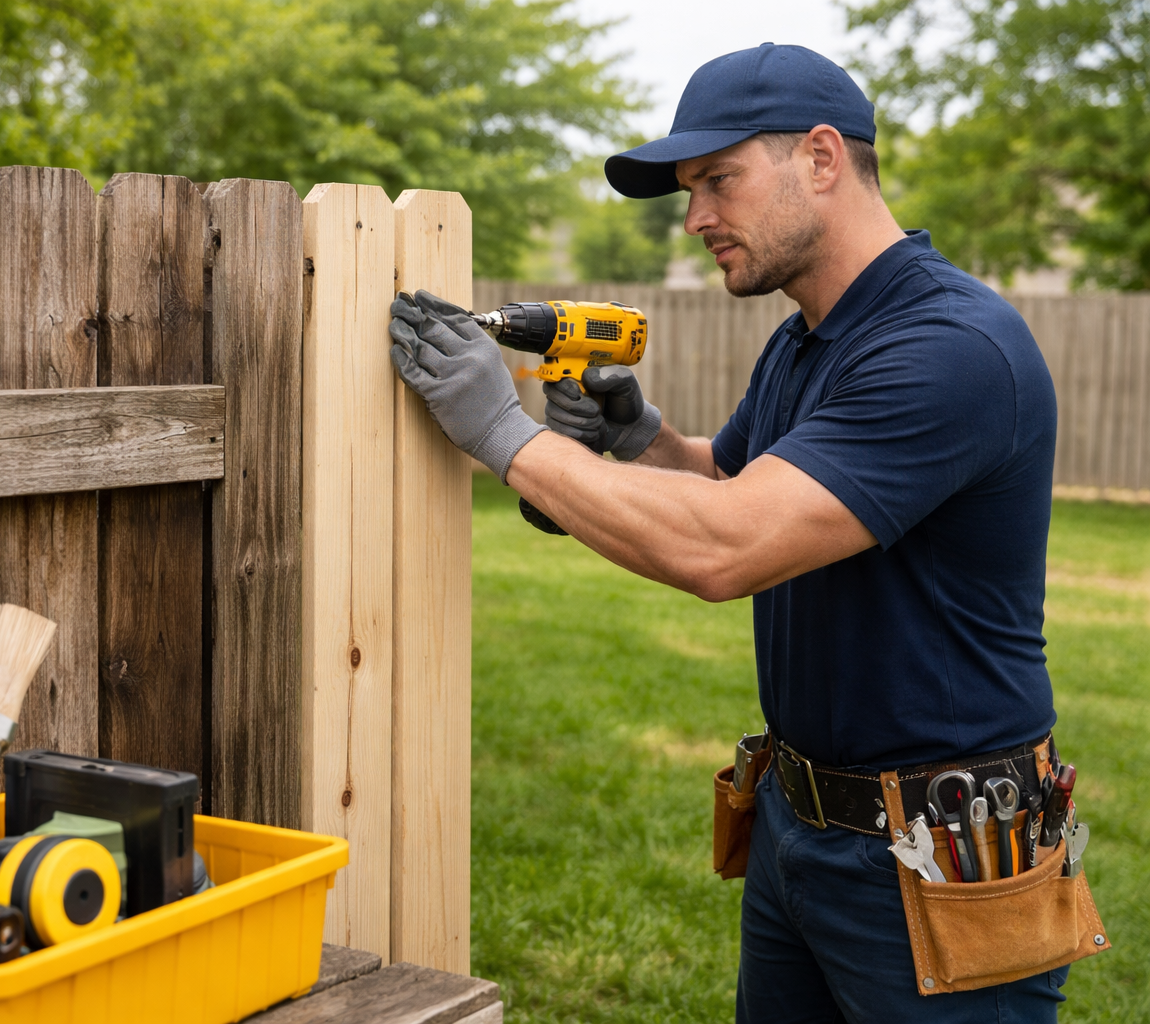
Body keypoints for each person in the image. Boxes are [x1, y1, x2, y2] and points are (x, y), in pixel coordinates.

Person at [388, 43, 1069, 1023]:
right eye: (688, 191)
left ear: (824, 159)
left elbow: (729, 545)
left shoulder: (949, 350)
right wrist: (641, 435)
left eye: (718, 181)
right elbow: (731, 481)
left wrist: (500, 433)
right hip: (798, 824)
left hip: (947, 855)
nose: (697, 217)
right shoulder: (806, 337)